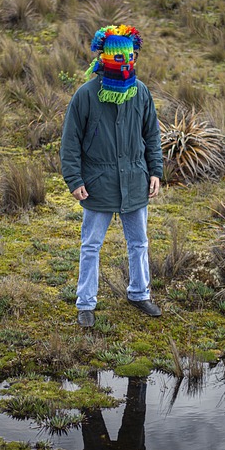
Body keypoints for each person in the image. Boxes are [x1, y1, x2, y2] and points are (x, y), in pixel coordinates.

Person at [60, 24, 163, 328]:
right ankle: (86, 303)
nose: (125, 63)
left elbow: (152, 135)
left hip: (134, 179)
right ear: (103, 57)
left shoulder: (141, 92)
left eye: (130, 56)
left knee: (139, 242)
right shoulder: (85, 95)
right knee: (91, 244)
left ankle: (139, 293)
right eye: (118, 57)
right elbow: (70, 142)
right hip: (97, 183)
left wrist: (155, 170)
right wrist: (74, 179)